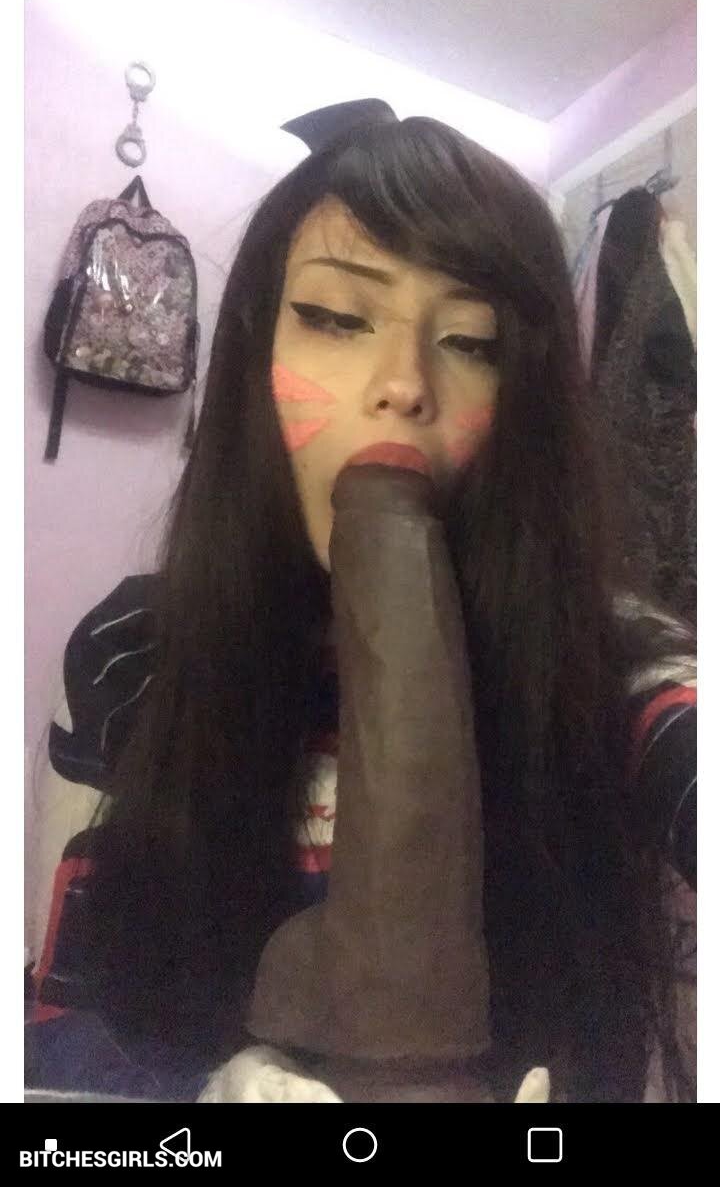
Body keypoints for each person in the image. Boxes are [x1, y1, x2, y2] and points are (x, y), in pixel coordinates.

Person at [26, 101, 696, 1103]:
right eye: (337, 318)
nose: (403, 384)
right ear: (253, 355)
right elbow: (59, 1025)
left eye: (471, 339)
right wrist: (208, 1091)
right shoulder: (131, 654)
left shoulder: (611, 663)